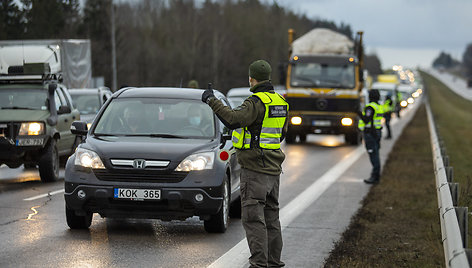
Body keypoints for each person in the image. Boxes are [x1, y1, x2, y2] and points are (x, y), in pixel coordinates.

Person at [201, 59, 288, 268]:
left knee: (253, 218)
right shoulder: (280, 102)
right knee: (271, 218)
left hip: (255, 170)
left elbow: (232, 119)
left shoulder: (255, 102)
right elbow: (282, 134)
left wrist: (211, 100)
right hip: (273, 170)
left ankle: (259, 263)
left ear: (252, 79)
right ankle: (273, 262)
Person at [358, 89, 383, 184]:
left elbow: (366, 120)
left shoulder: (370, 107)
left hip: (370, 133)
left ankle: (375, 176)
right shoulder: (378, 106)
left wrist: (358, 112)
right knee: (375, 153)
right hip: (377, 132)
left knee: (373, 155)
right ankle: (376, 175)